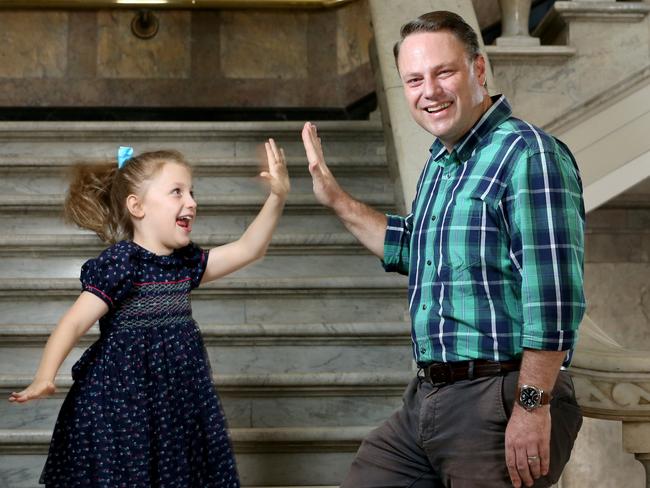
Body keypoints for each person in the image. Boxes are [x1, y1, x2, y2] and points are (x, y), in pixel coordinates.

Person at [301, 10, 585, 488]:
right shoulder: (442, 159)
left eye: (443, 72)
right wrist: (335, 198)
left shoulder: (528, 154)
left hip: (499, 395)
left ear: (478, 70)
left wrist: (532, 407)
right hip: (429, 396)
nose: (428, 91)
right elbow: (415, 250)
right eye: (414, 79)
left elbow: (554, 298)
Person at [9, 141, 290, 487]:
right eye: (177, 192)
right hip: (122, 408)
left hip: (176, 407)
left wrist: (277, 197)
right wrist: (44, 375)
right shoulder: (122, 264)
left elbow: (250, 248)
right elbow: (75, 321)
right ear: (137, 206)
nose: (192, 202)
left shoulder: (185, 264)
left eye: (192, 192)